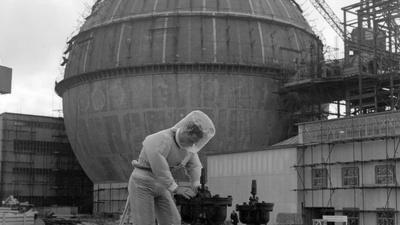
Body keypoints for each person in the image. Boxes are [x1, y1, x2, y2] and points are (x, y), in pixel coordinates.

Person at [128, 110, 216, 225]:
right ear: (186, 131)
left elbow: (194, 166)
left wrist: (196, 183)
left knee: (173, 221)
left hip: (161, 185)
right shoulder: (161, 139)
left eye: (195, 143)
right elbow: (159, 166)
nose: (191, 145)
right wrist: (175, 188)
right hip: (142, 183)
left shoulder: (188, 148)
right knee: (144, 222)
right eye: (191, 140)